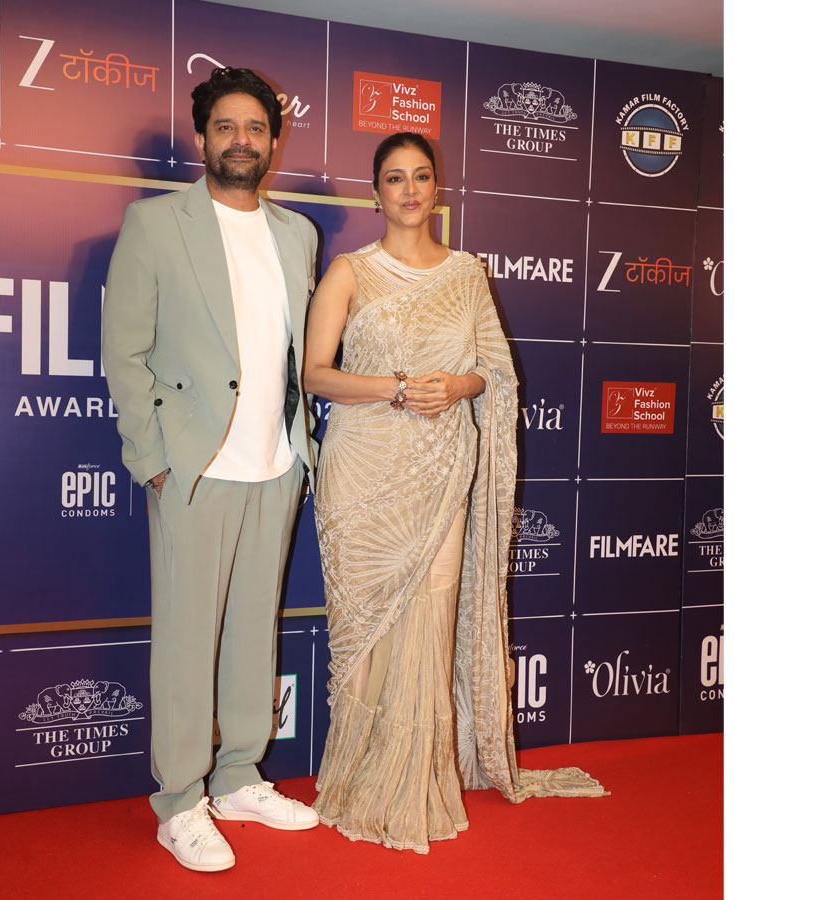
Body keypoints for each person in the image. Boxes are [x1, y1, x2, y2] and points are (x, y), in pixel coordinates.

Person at [303, 132, 607, 854]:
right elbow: (314, 374)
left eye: (420, 176)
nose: (409, 190)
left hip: (441, 471)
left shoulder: (467, 274)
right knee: (363, 632)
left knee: (432, 620)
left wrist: (457, 385)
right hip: (362, 475)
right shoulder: (349, 271)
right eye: (394, 178)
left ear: (437, 187)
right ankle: (355, 775)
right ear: (375, 192)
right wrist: (396, 388)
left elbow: (494, 374)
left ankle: (417, 778)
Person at [101, 66, 320, 873]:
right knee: (188, 641)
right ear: (202, 138)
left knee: (254, 630)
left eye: (256, 127)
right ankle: (179, 802)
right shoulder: (155, 224)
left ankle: (238, 779)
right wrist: (152, 461)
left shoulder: (297, 234)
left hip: (277, 463)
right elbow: (124, 353)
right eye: (226, 126)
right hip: (193, 467)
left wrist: (298, 452)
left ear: (273, 141)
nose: (241, 140)